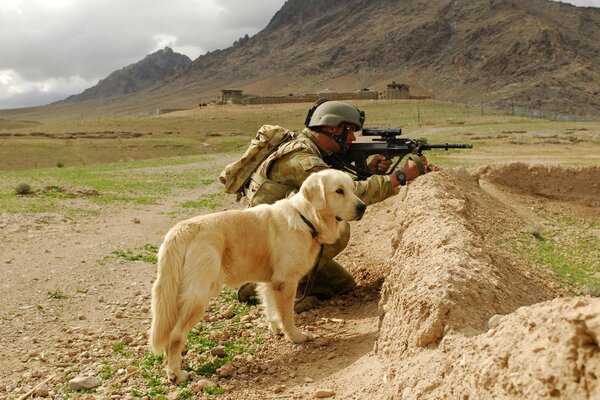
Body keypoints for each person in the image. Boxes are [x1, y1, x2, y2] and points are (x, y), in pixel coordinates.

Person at [237, 99, 428, 311]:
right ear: (332, 128)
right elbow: (347, 194)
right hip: (270, 242)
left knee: (342, 286)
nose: (353, 138)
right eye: (349, 131)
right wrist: (400, 176)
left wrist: (373, 171)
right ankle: (266, 283)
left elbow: (346, 185)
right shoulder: (301, 158)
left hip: (282, 234)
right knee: (337, 226)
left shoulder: (314, 150)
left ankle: (294, 280)